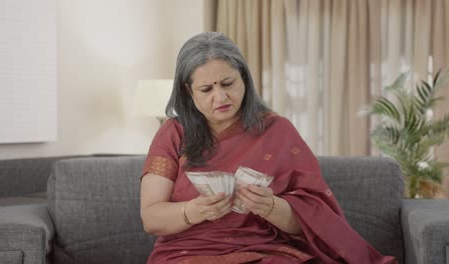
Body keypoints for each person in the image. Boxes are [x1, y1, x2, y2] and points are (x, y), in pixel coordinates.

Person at [140, 32, 396, 264]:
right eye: (206, 89)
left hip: (264, 251)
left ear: (243, 77)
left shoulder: (278, 130)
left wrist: (271, 207)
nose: (220, 97)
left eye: (228, 83)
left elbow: (311, 221)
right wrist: (193, 211)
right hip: (186, 252)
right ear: (188, 91)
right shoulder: (173, 133)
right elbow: (151, 218)